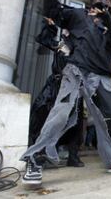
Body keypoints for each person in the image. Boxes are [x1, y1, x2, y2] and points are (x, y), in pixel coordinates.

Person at [20, 0, 111, 185]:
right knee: (60, 115)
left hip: (101, 77)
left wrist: (106, 18)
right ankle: (35, 160)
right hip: (75, 72)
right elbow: (54, 11)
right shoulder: (77, 15)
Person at [28, 20, 84, 168]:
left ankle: (73, 156)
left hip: (72, 86)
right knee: (41, 113)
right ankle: (37, 152)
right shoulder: (61, 45)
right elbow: (44, 39)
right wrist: (51, 27)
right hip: (55, 84)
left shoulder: (80, 48)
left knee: (74, 121)